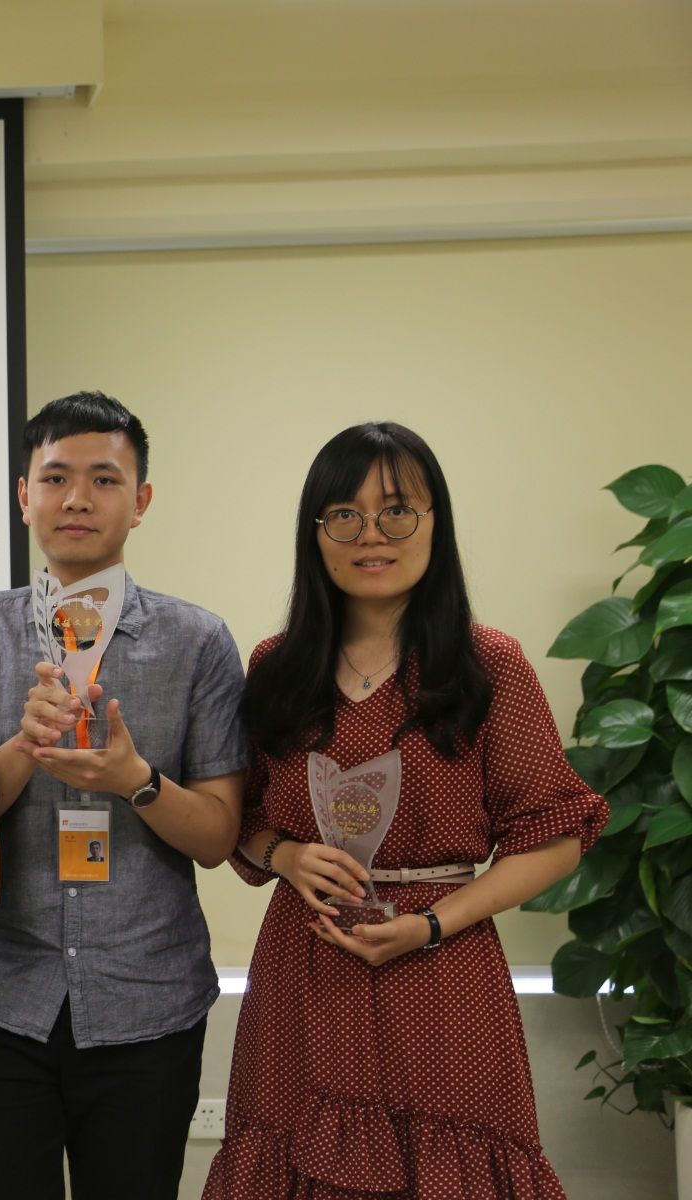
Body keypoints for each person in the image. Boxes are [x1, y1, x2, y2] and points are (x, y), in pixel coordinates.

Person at [202, 422, 608, 1198]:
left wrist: (431, 924)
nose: (371, 534)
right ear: (316, 532)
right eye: (344, 515)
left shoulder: (490, 664)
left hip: (443, 965)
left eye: (397, 511)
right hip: (306, 964)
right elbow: (239, 819)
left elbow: (555, 835)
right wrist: (286, 854)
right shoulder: (276, 666)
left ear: (434, 524)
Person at [0, 391, 249, 1200]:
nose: (77, 499)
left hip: (150, 997)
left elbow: (218, 837)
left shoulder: (199, 641)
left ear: (140, 501)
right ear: (23, 495)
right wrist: (25, 746)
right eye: (55, 478)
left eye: (104, 480)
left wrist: (135, 781)